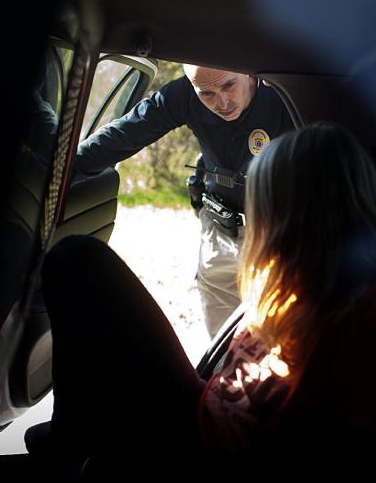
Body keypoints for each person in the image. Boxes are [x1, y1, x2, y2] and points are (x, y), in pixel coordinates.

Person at [38, 122, 376, 480]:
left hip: (205, 455)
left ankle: (74, 441)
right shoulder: (293, 282)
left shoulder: (365, 318)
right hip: (201, 411)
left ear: (302, 217)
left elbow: (341, 453)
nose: (257, 222)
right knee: (79, 263)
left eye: (265, 208)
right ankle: (79, 435)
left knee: (76, 258)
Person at [74, 64, 294, 336]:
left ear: (248, 72)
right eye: (207, 94)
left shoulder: (284, 96)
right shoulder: (185, 95)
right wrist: (67, 168)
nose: (222, 102)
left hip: (281, 237)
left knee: (282, 339)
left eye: (228, 86)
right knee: (222, 341)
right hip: (219, 234)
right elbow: (129, 131)